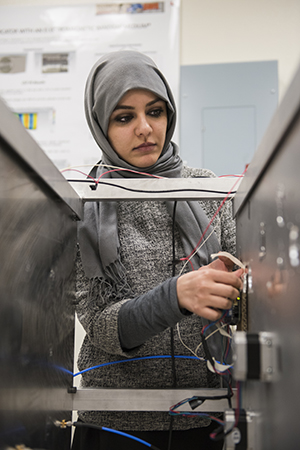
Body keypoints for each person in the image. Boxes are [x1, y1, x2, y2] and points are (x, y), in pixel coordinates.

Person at [72, 50, 243, 450]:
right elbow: (100, 326)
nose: (146, 129)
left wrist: (236, 291)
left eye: (155, 111)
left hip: (206, 415)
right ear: (101, 124)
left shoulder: (207, 189)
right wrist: (177, 296)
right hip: (115, 422)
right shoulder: (84, 206)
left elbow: (248, 300)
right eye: (124, 117)